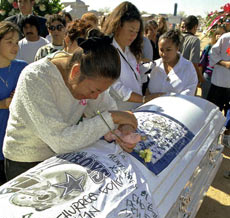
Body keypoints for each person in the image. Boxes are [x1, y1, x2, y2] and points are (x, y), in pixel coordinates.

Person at [3, 36, 138, 181]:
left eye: (100, 91)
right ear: (75, 72)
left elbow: (108, 108)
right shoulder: (36, 77)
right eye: (93, 91)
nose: (94, 97)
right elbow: (61, 141)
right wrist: (113, 118)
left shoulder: (90, 74)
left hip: (60, 157)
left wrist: (124, 129)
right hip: (26, 162)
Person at [102, 1, 160, 111]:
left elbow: (132, 74)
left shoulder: (129, 50)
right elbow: (115, 87)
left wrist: (145, 69)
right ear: (118, 26)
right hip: (117, 111)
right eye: (131, 31)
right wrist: (144, 99)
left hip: (134, 109)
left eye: (137, 32)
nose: (133, 36)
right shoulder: (107, 51)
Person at [0, 21, 27, 184]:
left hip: (16, 146)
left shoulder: (23, 68)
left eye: (16, 42)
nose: (15, 46)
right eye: (9, 41)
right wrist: (3, 103)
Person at [148, 30, 198, 96]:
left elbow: (189, 92)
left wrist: (166, 98)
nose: (164, 54)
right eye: (161, 50)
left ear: (177, 48)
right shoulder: (153, 66)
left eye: (168, 50)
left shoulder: (188, 67)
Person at [199, 25, 226, 99]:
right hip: (208, 77)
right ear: (215, 35)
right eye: (218, 34)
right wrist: (200, 78)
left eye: (223, 34)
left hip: (221, 79)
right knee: (205, 99)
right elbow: (201, 64)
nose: (220, 36)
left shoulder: (227, 50)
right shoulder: (209, 47)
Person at [180, 15, 202, 86]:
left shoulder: (177, 37)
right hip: (186, 78)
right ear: (195, 26)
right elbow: (193, 63)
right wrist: (200, 77)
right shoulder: (195, 40)